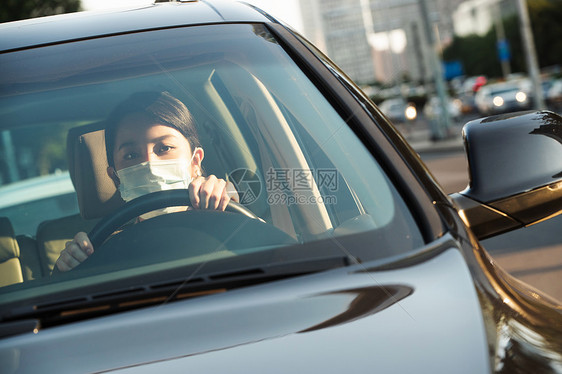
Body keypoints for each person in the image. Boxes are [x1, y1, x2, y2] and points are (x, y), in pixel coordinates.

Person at [55, 91, 238, 272]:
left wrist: (230, 203)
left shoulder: (224, 212)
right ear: (116, 178)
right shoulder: (105, 253)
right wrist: (71, 267)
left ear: (195, 161)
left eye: (164, 148)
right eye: (132, 155)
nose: (149, 164)